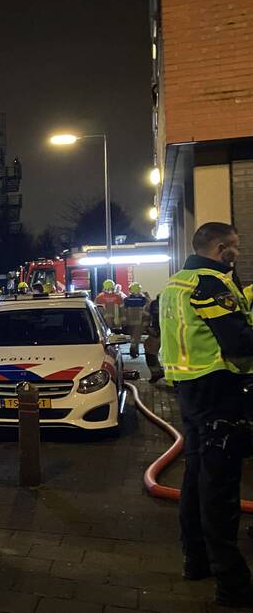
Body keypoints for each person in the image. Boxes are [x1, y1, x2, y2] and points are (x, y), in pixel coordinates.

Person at [160, 222, 253, 607]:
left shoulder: (175, 283)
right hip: (217, 391)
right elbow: (238, 341)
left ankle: (195, 560)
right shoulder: (209, 283)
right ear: (219, 248)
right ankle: (232, 584)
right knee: (220, 489)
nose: (237, 254)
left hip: (189, 390)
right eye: (233, 247)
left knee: (196, 479)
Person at [124, 283, 149, 359]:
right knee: (137, 337)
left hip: (129, 322)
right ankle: (134, 349)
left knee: (133, 336)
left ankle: (135, 350)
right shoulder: (143, 299)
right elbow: (148, 309)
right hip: (140, 322)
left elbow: (123, 311)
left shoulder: (126, 299)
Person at [145, 294, 165, 384]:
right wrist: (148, 328)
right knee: (149, 351)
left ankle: (159, 373)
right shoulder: (153, 304)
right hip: (158, 331)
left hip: (167, 332)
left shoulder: (154, 304)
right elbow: (147, 316)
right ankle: (156, 373)